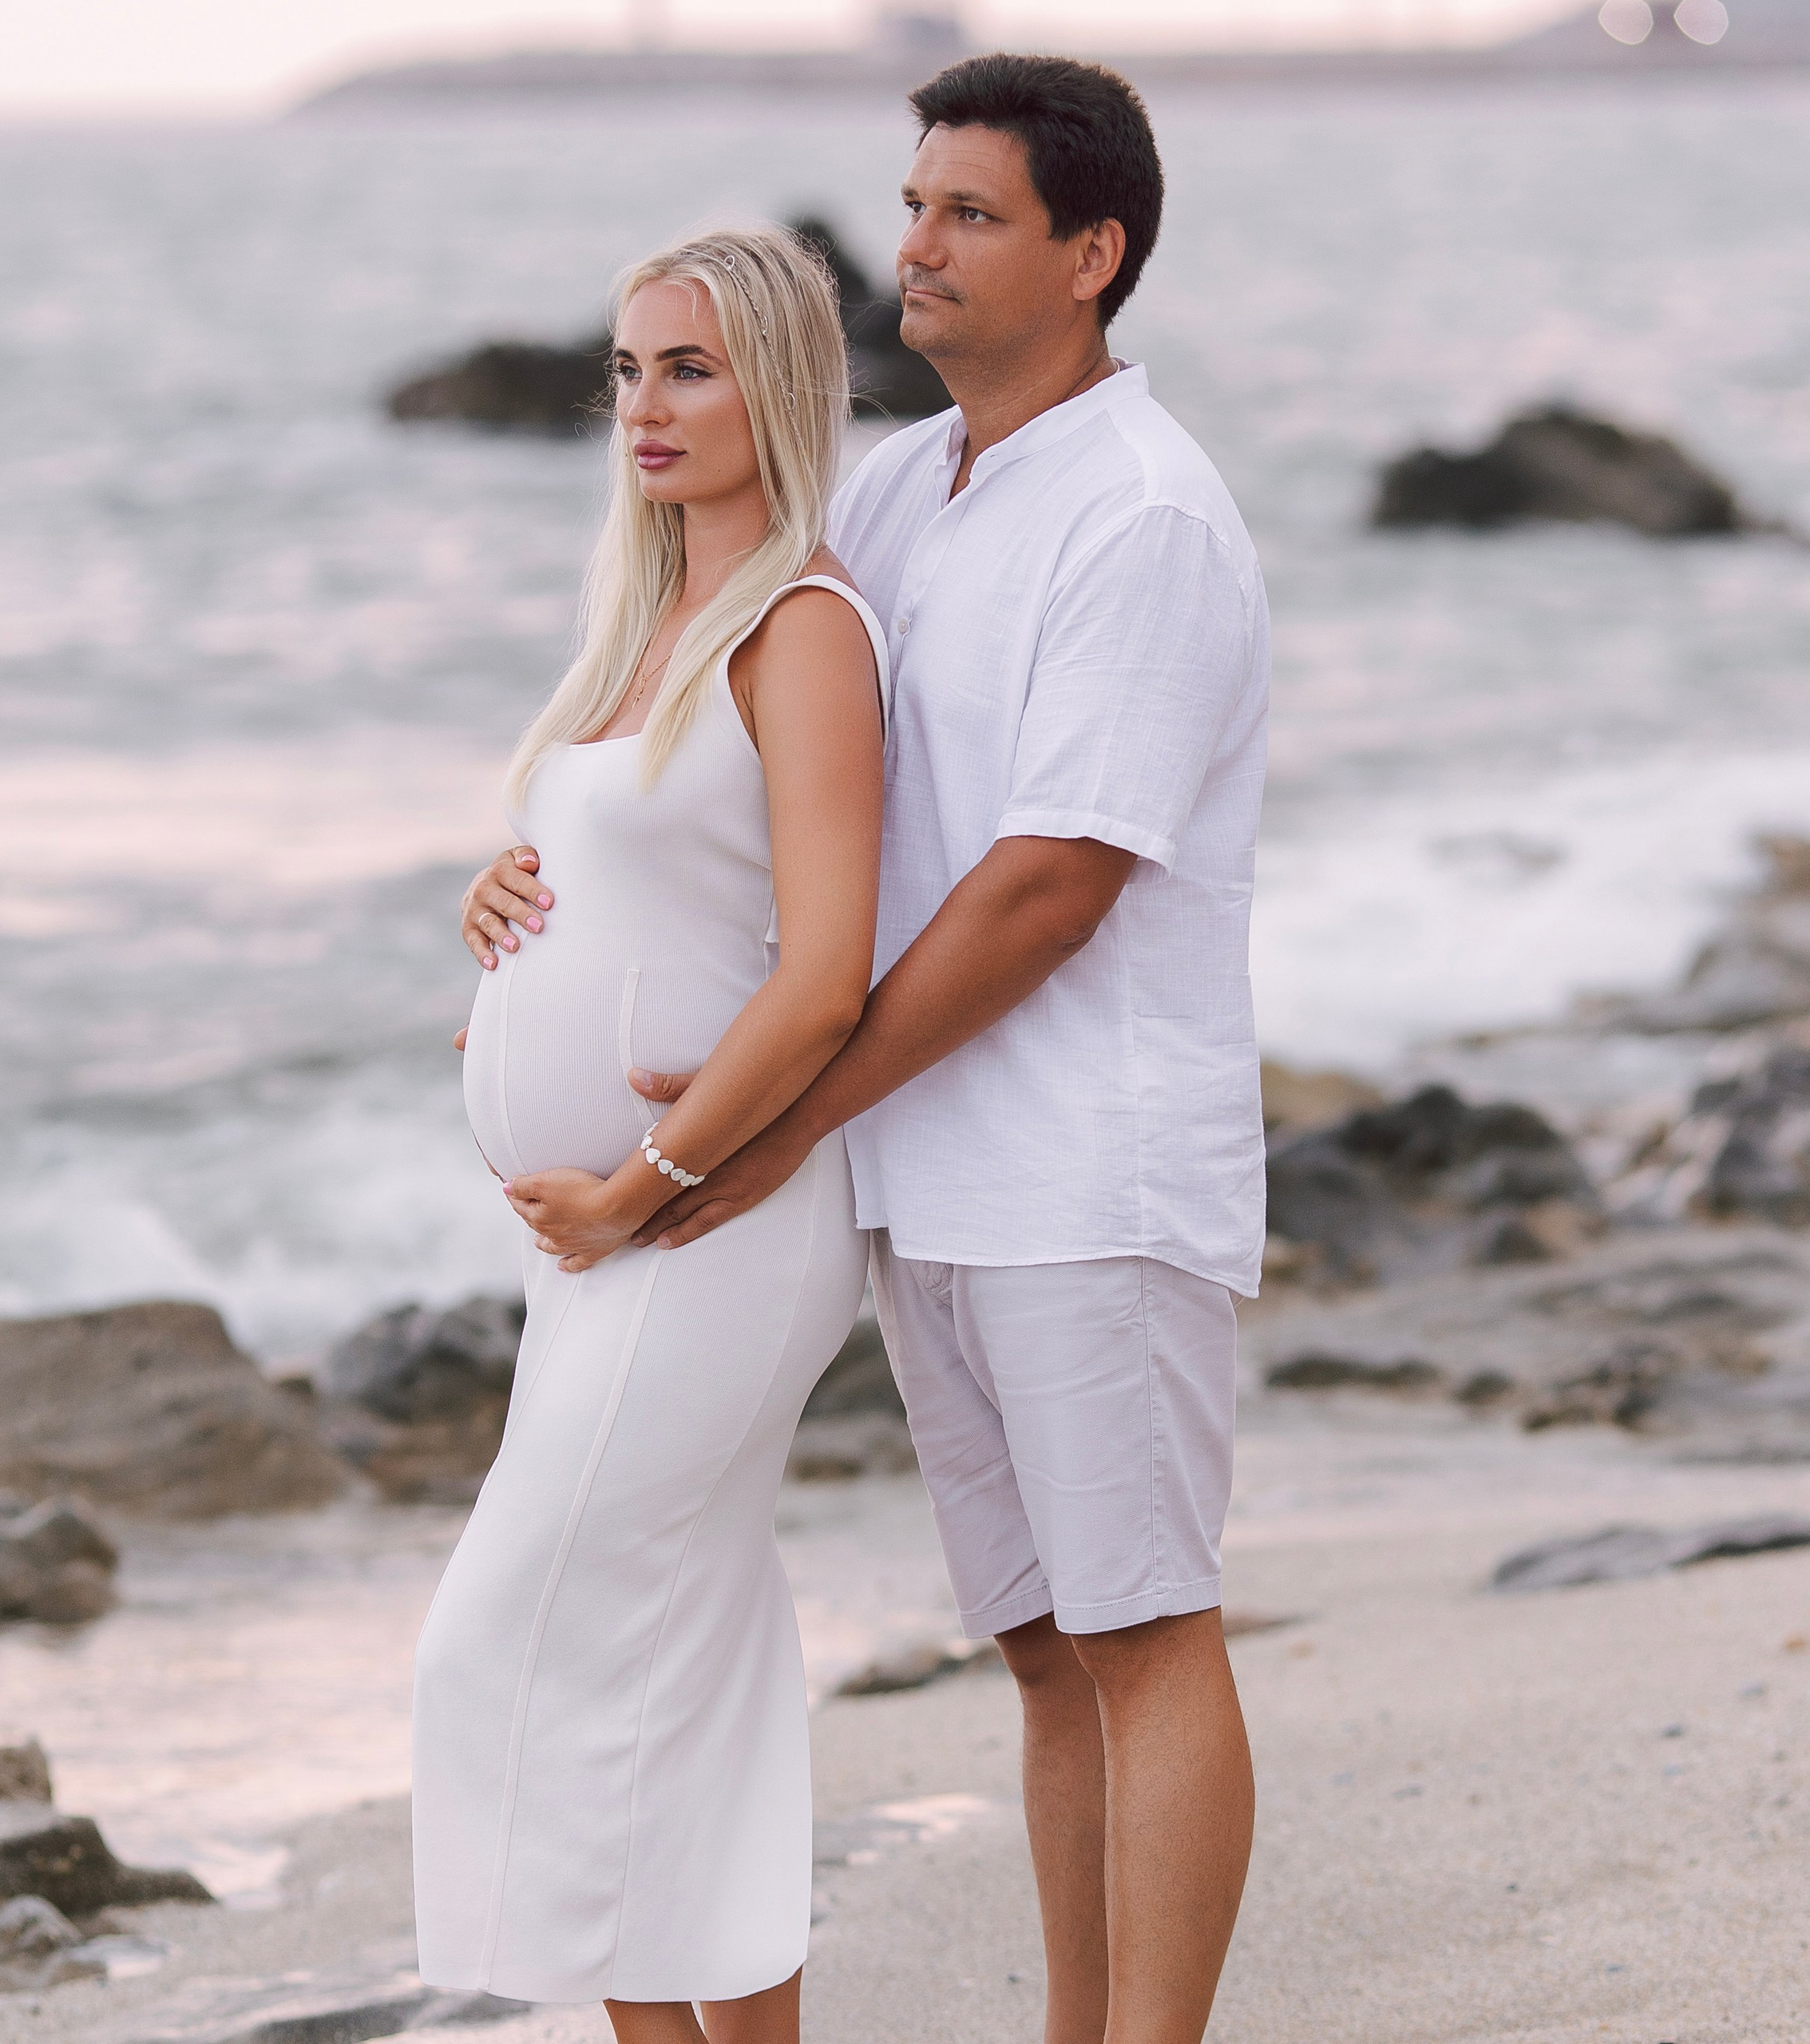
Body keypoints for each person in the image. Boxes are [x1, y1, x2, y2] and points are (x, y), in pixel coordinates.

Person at [460, 53, 1270, 2044]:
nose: (911, 244)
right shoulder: (902, 490)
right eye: (911, 205)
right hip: (918, 1180)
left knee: (1143, 1630)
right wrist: (541, 857)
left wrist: (744, 1123)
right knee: (1037, 1649)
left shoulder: (1148, 516)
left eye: (968, 214)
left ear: (1092, 255)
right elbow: (744, 753)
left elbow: (1042, 886)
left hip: (1092, 1167)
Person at [414, 225, 887, 2044]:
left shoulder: (803, 625)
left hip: (709, 1226)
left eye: (686, 368)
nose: (645, 406)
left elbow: (825, 970)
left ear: (773, 383)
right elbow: (650, 879)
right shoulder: (641, 625)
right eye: (625, 370)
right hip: (601, 1246)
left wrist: (642, 1183)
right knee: (661, 1666)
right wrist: (501, 898)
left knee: (521, 1642)